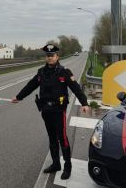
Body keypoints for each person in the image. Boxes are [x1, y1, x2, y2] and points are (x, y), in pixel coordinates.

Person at [11, 44, 90, 180]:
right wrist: (19, 97)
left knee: (62, 138)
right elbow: (30, 85)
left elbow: (76, 88)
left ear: (57, 56)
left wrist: (84, 103)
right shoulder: (41, 72)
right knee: (52, 138)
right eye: (48, 56)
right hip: (46, 110)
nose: (50, 58)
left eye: (52, 55)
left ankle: (67, 166)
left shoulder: (64, 72)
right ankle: (55, 164)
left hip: (59, 110)